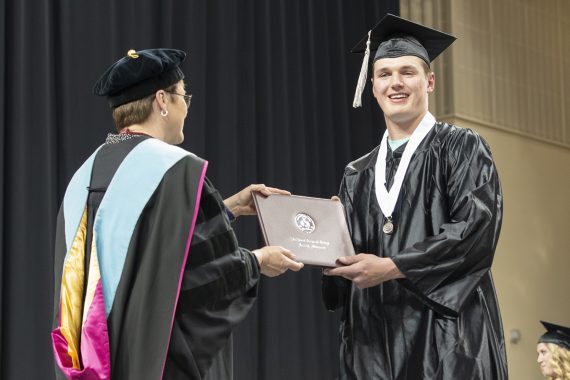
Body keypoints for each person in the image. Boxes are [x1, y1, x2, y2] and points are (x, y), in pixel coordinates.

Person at [51, 48, 303, 380]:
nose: (186, 106)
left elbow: (145, 249)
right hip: (160, 363)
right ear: (162, 101)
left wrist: (227, 208)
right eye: (184, 96)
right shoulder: (176, 171)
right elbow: (203, 277)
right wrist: (258, 260)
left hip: (102, 360)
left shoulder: (85, 176)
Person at [323, 14, 507, 379]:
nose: (396, 83)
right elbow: (344, 270)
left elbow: (475, 230)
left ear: (430, 81)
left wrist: (393, 267)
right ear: (372, 86)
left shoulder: (461, 148)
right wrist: (326, 238)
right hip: (374, 338)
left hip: (447, 335)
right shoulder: (357, 173)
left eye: (408, 72)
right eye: (385, 74)